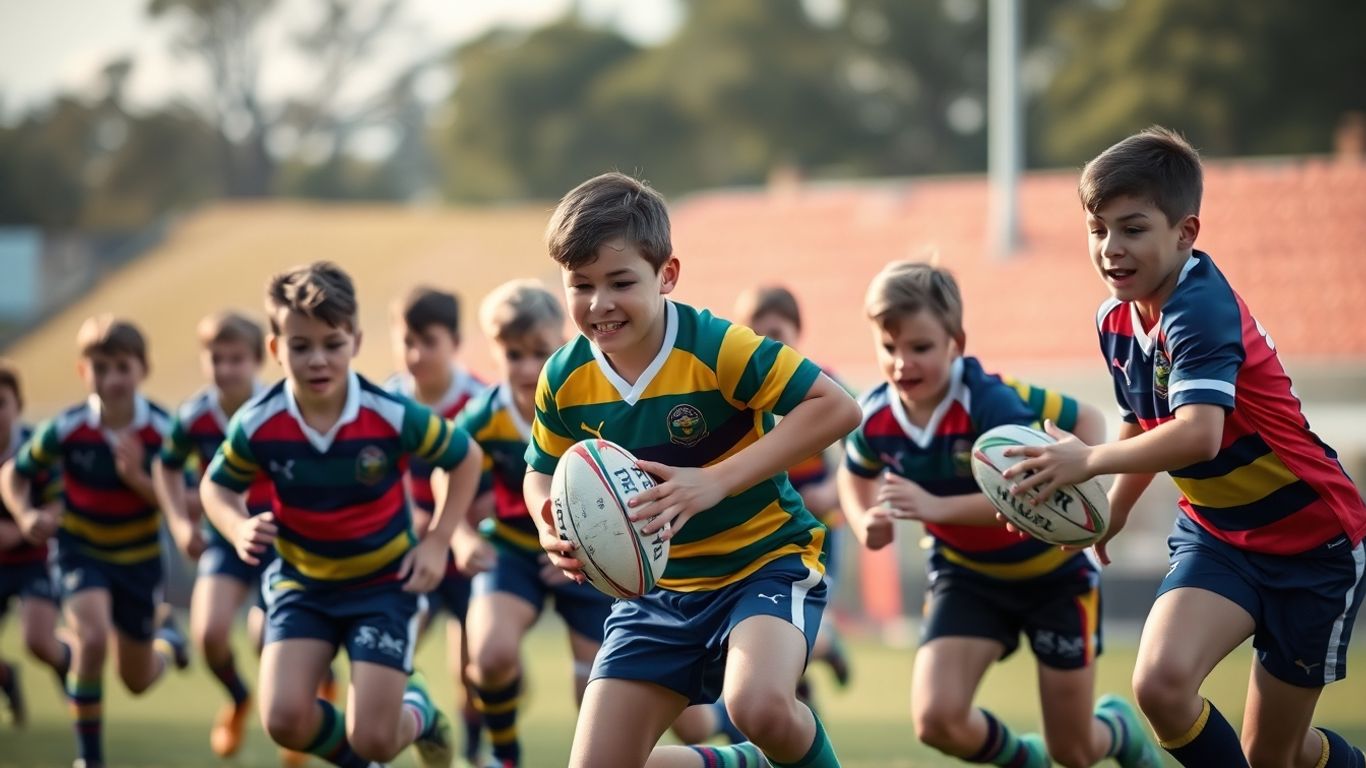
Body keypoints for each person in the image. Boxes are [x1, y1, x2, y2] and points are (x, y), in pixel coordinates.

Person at [1003, 126, 1366, 768]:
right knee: (1160, 686)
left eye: (1132, 228)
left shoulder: (1199, 308)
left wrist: (1084, 461)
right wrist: (1109, 511)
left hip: (1316, 545)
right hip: (1220, 537)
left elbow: (1198, 433)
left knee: (1271, 756)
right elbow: (1143, 420)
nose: (1111, 249)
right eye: (1098, 230)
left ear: (1185, 233)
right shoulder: (1115, 317)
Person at [524, 172, 861, 768]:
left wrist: (716, 481)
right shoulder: (563, 378)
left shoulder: (719, 348)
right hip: (655, 592)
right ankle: (746, 762)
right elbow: (541, 472)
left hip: (763, 564)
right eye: (581, 285)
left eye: (620, 282)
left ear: (667, 275)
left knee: (758, 706)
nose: (600, 303)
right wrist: (548, 521)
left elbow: (837, 407)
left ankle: (769, 747)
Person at [838, 261, 1160, 768]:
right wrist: (863, 522)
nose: (902, 363)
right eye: (888, 348)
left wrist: (936, 507)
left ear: (955, 342)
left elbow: (1023, 494)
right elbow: (853, 472)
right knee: (936, 720)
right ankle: (1021, 760)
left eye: (919, 347)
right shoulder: (875, 415)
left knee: (1074, 752)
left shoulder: (991, 403)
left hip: (1054, 577)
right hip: (967, 577)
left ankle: (1118, 729)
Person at [201, 262, 484, 768]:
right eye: (300, 345)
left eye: (332, 343)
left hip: (382, 586)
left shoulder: (390, 414)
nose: (317, 360)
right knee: (284, 720)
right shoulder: (259, 423)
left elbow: (465, 457)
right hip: (301, 585)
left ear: (355, 340)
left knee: (375, 737)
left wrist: (439, 541)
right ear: (275, 349)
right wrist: (236, 524)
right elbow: (216, 487)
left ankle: (421, 713)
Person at [0, 316, 189, 768]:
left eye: (122, 367)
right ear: (84, 372)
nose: (112, 379)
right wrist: (26, 515)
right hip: (80, 553)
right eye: (100, 368)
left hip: (139, 562)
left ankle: (167, 640)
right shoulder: (66, 429)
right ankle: (89, 759)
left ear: (143, 368)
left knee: (137, 679)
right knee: (91, 637)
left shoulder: (164, 431)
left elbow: (188, 500)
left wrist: (138, 478)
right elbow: (13, 475)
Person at [452, 279, 613, 768]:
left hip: (586, 558)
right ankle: (505, 755)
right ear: (494, 351)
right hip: (513, 552)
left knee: (597, 688)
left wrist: (582, 549)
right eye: (512, 354)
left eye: (539, 352)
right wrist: (460, 537)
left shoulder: (588, 406)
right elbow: (452, 490)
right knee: (490, 653)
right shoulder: (479, 419)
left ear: (563, 342)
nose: (526, 368)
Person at [385, 286, 487, 766]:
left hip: (467, 558)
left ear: (455, 341)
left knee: (473, 672)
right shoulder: (385, 401)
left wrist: (462, 524)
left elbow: (497, 484)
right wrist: (412, 518)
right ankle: (413, 717)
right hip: (411, 551)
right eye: (406, 340)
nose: (415, 354)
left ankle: (471, 750)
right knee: (388, 649)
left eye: (428, 340)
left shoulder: (479, 401)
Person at [0, 360, 70, 726]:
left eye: (0, 402)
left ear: (18, 405)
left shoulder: (35, 449)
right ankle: (7, 680)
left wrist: (31, 522)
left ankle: (66, 665)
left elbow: (60, 500)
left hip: (34, 560)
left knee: (38, 641)